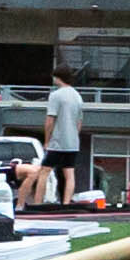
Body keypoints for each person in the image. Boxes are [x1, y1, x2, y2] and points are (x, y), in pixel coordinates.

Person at [42, 68, 87, 206]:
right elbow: (79, 122)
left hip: (57, 142)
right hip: (72, 142)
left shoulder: (55, 95)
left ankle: (37, 203)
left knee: (44, 171)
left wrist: (46, 141)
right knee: (69, 173)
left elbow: (50, 120)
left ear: (57, 77)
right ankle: (66, 204)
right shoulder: (77, 96)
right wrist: (74, 136)